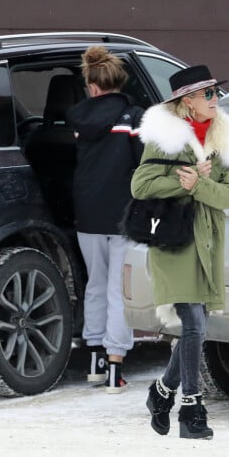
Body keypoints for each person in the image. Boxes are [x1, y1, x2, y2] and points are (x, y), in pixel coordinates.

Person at [130, 65, 229, 439]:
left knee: (198, 326)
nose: (215, 99)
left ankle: (162, 391)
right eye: (208, 94)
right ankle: (192, 408)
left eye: (216, 92)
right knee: (195, 323)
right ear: (187, 102)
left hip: (207, 244)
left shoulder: (226, 139)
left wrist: (199, 185)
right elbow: (141, 184)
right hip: (174, 242)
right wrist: (181, 182)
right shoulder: (165, 138)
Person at [66, 45, 144, 394]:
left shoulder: (78, 120)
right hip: (122, 214)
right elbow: (142, 165)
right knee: (118, 290)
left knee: (94, 285)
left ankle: (95, 361)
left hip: (87, 212)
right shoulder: (133, 118)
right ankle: (115, 367)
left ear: (93, 86)